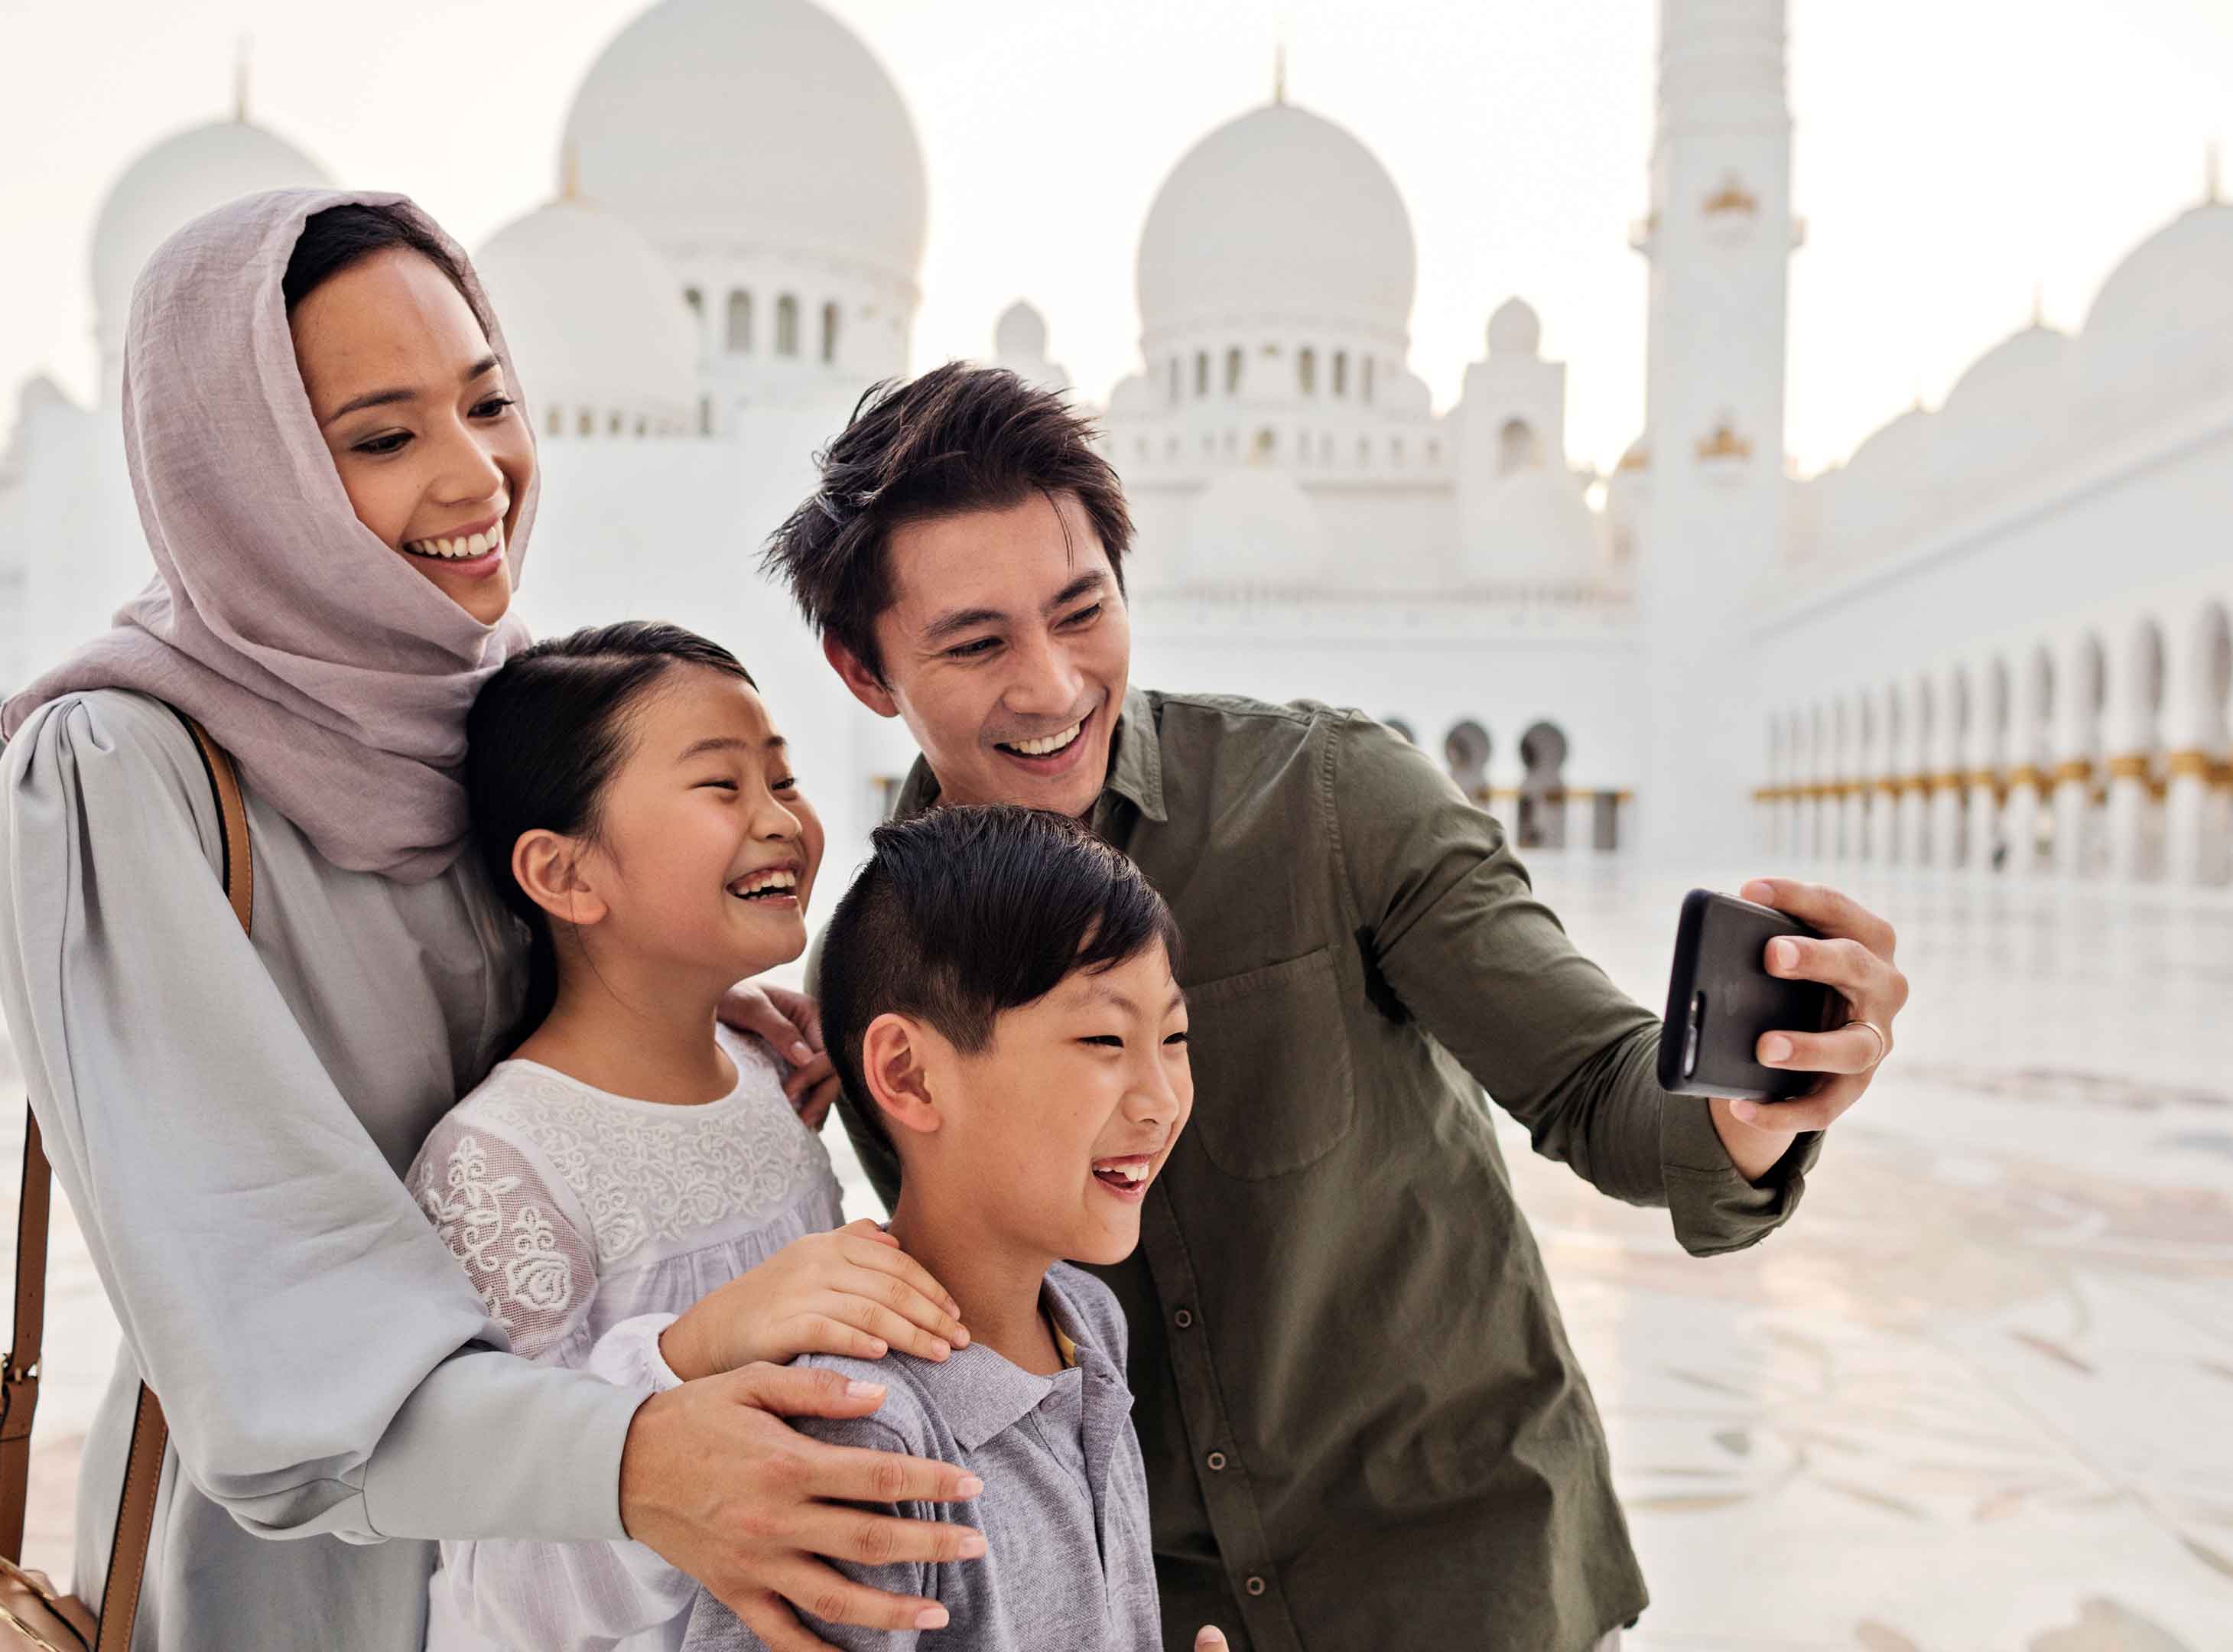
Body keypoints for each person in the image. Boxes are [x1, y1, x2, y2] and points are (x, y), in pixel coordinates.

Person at [764, 365, 1914, 1651]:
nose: (1052, 686)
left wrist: (1749, 1103)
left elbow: (1604, 1094)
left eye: (1082, 612)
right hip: (1155, 1617)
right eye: (977, 645)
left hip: (1460, 1583)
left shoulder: (1328, 801)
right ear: (863, 669)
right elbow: (977, 1336)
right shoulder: (884, 977)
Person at [0, 190, 981, 1652]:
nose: (475, 477)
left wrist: (678, 1015)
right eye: (382, 439)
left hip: (569, 1561)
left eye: (489, 403)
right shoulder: (117, 771)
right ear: (241, 472)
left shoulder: (463, 694)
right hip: (303, 1567)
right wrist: (638, 1463)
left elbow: (519, 1034)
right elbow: (265, 1293)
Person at [405, 621, 973, 1652]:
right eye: (721, 787)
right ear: (566, 877)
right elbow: (519, 1553)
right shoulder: (500, 1162)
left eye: (785, 780)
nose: (781, 822)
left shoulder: (770, 1078)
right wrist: (698, 1345)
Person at [685, 805, 1195, 1652]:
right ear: (908, 1074)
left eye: (1173, 1036)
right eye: (1104, 1038)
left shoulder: (1086, 1320)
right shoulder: (862, 1426)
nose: (1161, 1099)